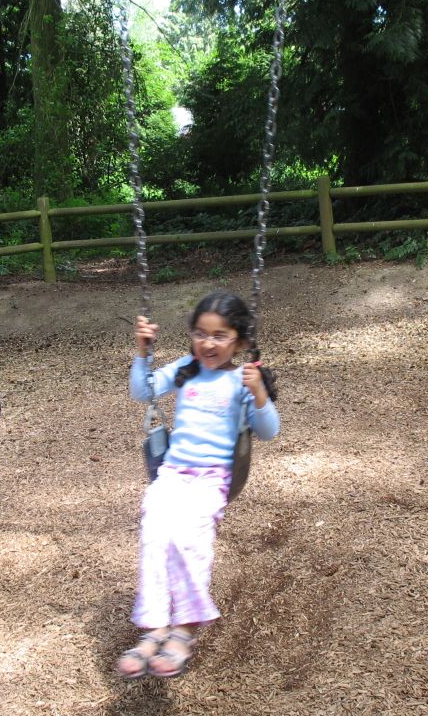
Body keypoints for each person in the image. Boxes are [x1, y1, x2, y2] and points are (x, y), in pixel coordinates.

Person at [115, 290, 280, 679]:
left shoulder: (242, 379)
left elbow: (269, 430)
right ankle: (155, 627)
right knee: (156, 535)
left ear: (239, 340)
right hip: (172, 473)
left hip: (211, 479)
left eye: (220, 335)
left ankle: (184, 631)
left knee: (188, 541)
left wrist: (258, 393)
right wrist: (143, 353)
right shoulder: (186, 368)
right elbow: (142, 391)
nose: (208, 343)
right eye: (201, 334)